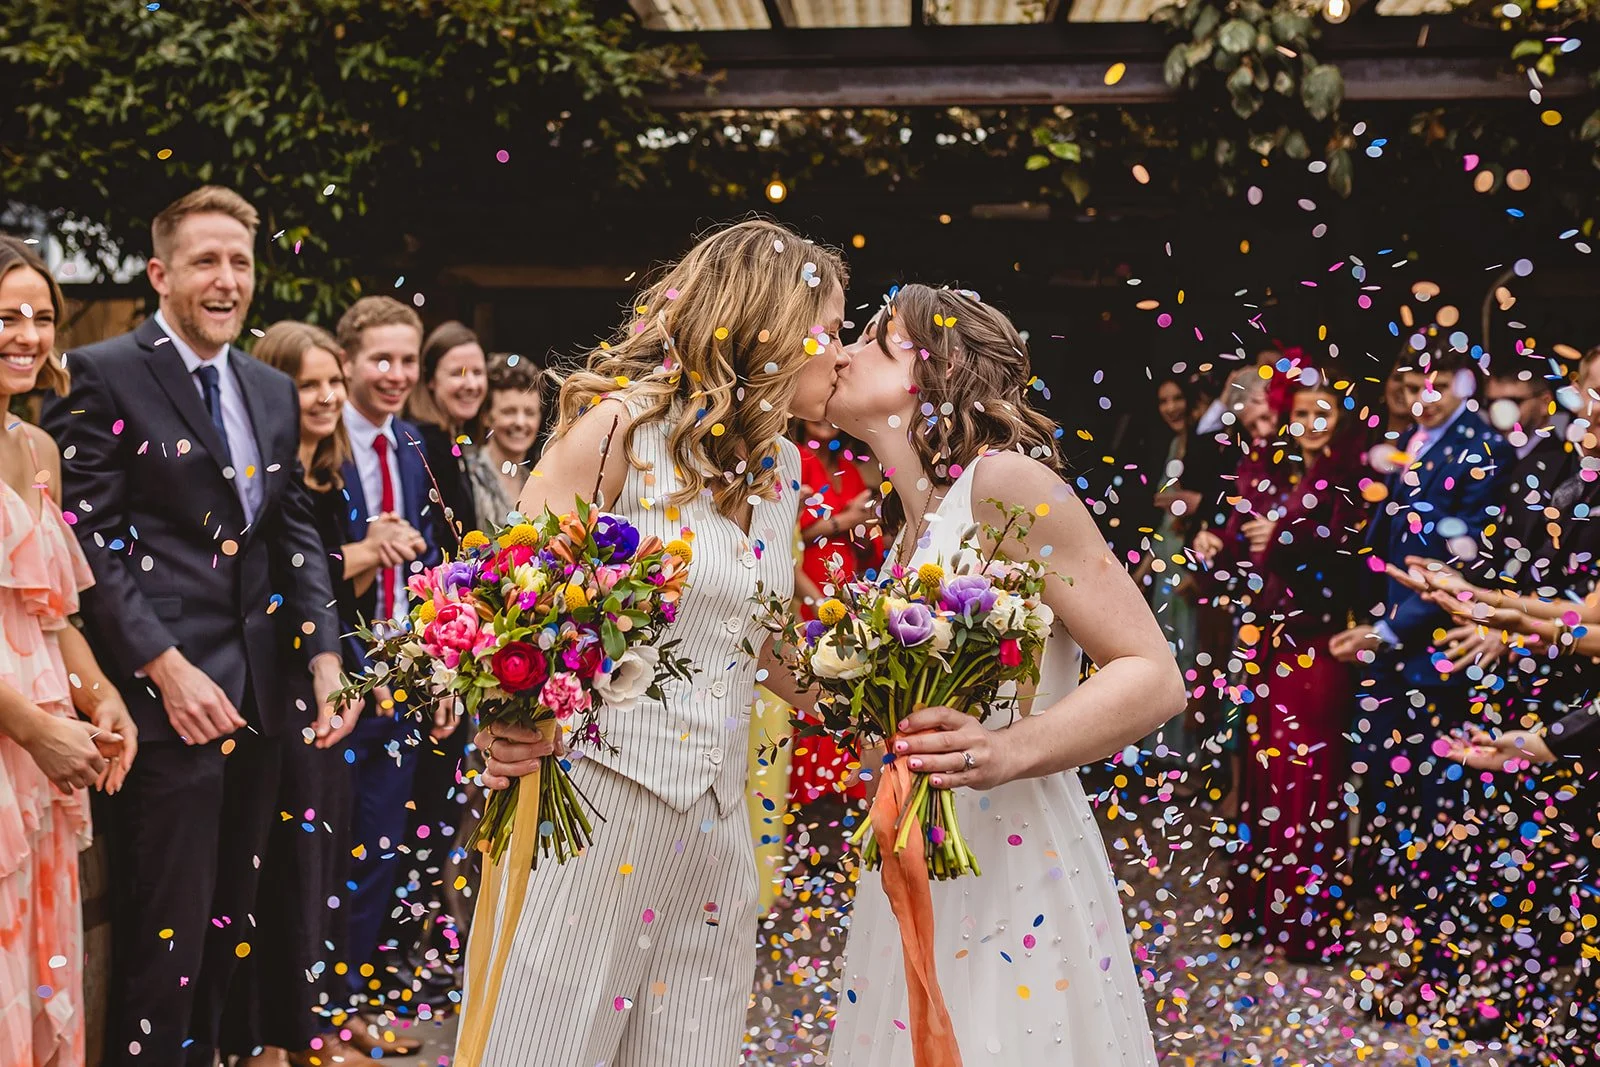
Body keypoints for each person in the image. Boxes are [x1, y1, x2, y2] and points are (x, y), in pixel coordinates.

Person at [466, 219, 848, 1066]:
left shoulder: (778, 467)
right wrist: (506, 718)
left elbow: (760, 636)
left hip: (717, 817)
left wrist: (873, 706)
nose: (846, 352)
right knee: (545, 1044)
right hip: (594, 798)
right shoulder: (617, 434)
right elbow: (502, 603)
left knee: (693, 1050)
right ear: (771, 327)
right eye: (833, 327)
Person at [824, 285, 1184, 1065]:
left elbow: (1154, 674)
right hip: (916, 857)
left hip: (1011, 859)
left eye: (877, 340)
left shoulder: (1006, 485)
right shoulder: (904, 533)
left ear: (941, 370)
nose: (844, 351)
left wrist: (1009, 749)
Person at [40, 186, 343, 1066]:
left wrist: (327, 658)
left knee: (237, 926)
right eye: (206, 261)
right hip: (161, 705)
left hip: (262, 698)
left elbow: (291, 534)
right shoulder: (102, 372)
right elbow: (87, 536)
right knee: (166, 930)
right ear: (160, 272)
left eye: (240, 261)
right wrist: (165, 668)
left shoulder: (271, 389)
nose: (226, 279)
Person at [233, 320, 429, 1066]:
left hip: (336, 684)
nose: (320, 397)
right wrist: (364, 550)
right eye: (304, 383)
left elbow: (320, 580)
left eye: (327, 383)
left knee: (328, 868)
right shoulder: (271, 475)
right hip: (280, 688)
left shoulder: (328, 467)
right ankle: (284, 1037)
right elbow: (286, 583)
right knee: (292, 871)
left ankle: (313, 1025)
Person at [1329, 335, 1507, 1013]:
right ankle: (1416, 960)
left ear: (1463, 382)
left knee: (1441, 821)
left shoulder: (1475, 448)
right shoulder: (1416, 442)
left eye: (1434, 379)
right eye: (1410, 378)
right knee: (1403, 814)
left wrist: (1389, 629)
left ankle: (1442, 971)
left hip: (1440, 666)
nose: (1420, 392)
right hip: (1400, 661)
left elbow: (1454, 566)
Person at [0, 234, 136, 1067]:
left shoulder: (39, 447)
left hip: (44, 740)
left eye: (42, 316)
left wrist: (96, 694)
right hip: (12, 730)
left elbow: (50, 617)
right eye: (5, 314)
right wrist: (30, 726)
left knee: (37, 952)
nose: (26, 332)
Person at [1194, 364, 1368, 961]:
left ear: (1339, 420)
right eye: (1301, 414)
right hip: (1269, 644)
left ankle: (1305, 925)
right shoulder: (1276, 473)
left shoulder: (1353, 476)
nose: (1312, 424)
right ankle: (1262, 916)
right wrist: (1218, 547)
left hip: (1319, 646)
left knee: (1309, 782)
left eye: (1323, 413)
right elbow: (1249, 556)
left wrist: (1288, 537)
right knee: (1266, 779)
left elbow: (1354, 561)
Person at [332, 295, 450, 1055]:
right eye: (381, 358)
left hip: (403, 678)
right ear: (346, 361)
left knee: (384, 853)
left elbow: (435, 572)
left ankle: (357, 1005)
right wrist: (363, 550)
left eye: (407, 360)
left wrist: (440, 667)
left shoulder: (413, 444)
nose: (396, 374)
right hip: (330, 679)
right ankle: (312, 1014)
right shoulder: (316, 441)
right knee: (325, 853)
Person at [781, 418, 881, 905]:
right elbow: (789, 534)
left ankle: (844, 825)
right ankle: (806, 827)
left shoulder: (852, 461)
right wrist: (845, 521)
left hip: (851, 588)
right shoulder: (790, 457)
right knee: (811, 700)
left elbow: (872, 530)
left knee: (854, 697)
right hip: (812, 595)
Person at [409, 320, 488, 539]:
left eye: (478, 372)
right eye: (457, 373)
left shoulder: (453, 440)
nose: (471, 384)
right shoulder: (424, 443)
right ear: (431, 379)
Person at [466, 353, 543, 526]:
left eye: (529, 413)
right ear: (486, 416)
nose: (520, 423)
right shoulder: (469, 477)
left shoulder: (536, 481)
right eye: (509, 411)